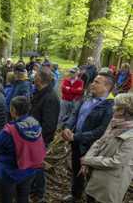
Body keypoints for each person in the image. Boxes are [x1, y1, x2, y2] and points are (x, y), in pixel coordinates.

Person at [61, 72, 115, 203]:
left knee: (92, 177)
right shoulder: (87, 97)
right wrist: (68, 127)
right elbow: (75, 114)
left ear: (107, 87)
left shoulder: (110, 106)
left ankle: (90, 199)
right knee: (76, 170)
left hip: (93, 148)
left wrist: (76, 137)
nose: (92, 84)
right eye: (94, 81)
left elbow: (101, 131)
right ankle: (76, 195)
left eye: (97, 82)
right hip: (76, 142)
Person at [0, 96, 46, 203]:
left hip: (9, 171)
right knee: (23, 197)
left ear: (13, 111)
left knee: (5, 199)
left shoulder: (10, 131)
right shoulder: (35, 124)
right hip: (30, 169)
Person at [81, 93, 133, 203]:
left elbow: (117, 162)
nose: (114, 110)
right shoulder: (114, 123)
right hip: (95, 176)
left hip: (111, 183)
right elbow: (100, 142)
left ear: (128, 112)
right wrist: (88, 158)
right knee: (90, 198)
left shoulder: (131, 135)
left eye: (118, 108)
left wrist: (89, 160)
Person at [30, 68, 60, 202]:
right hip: (32, 137)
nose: (33, 77)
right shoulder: (40, 92)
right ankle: (32, 188)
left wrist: (35, 137)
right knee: (33, 165)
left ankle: (39, 194)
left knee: (38, 166)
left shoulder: (51, 98)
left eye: (35, 76)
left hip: (40, 139)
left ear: (40, 79)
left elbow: (49, 125)